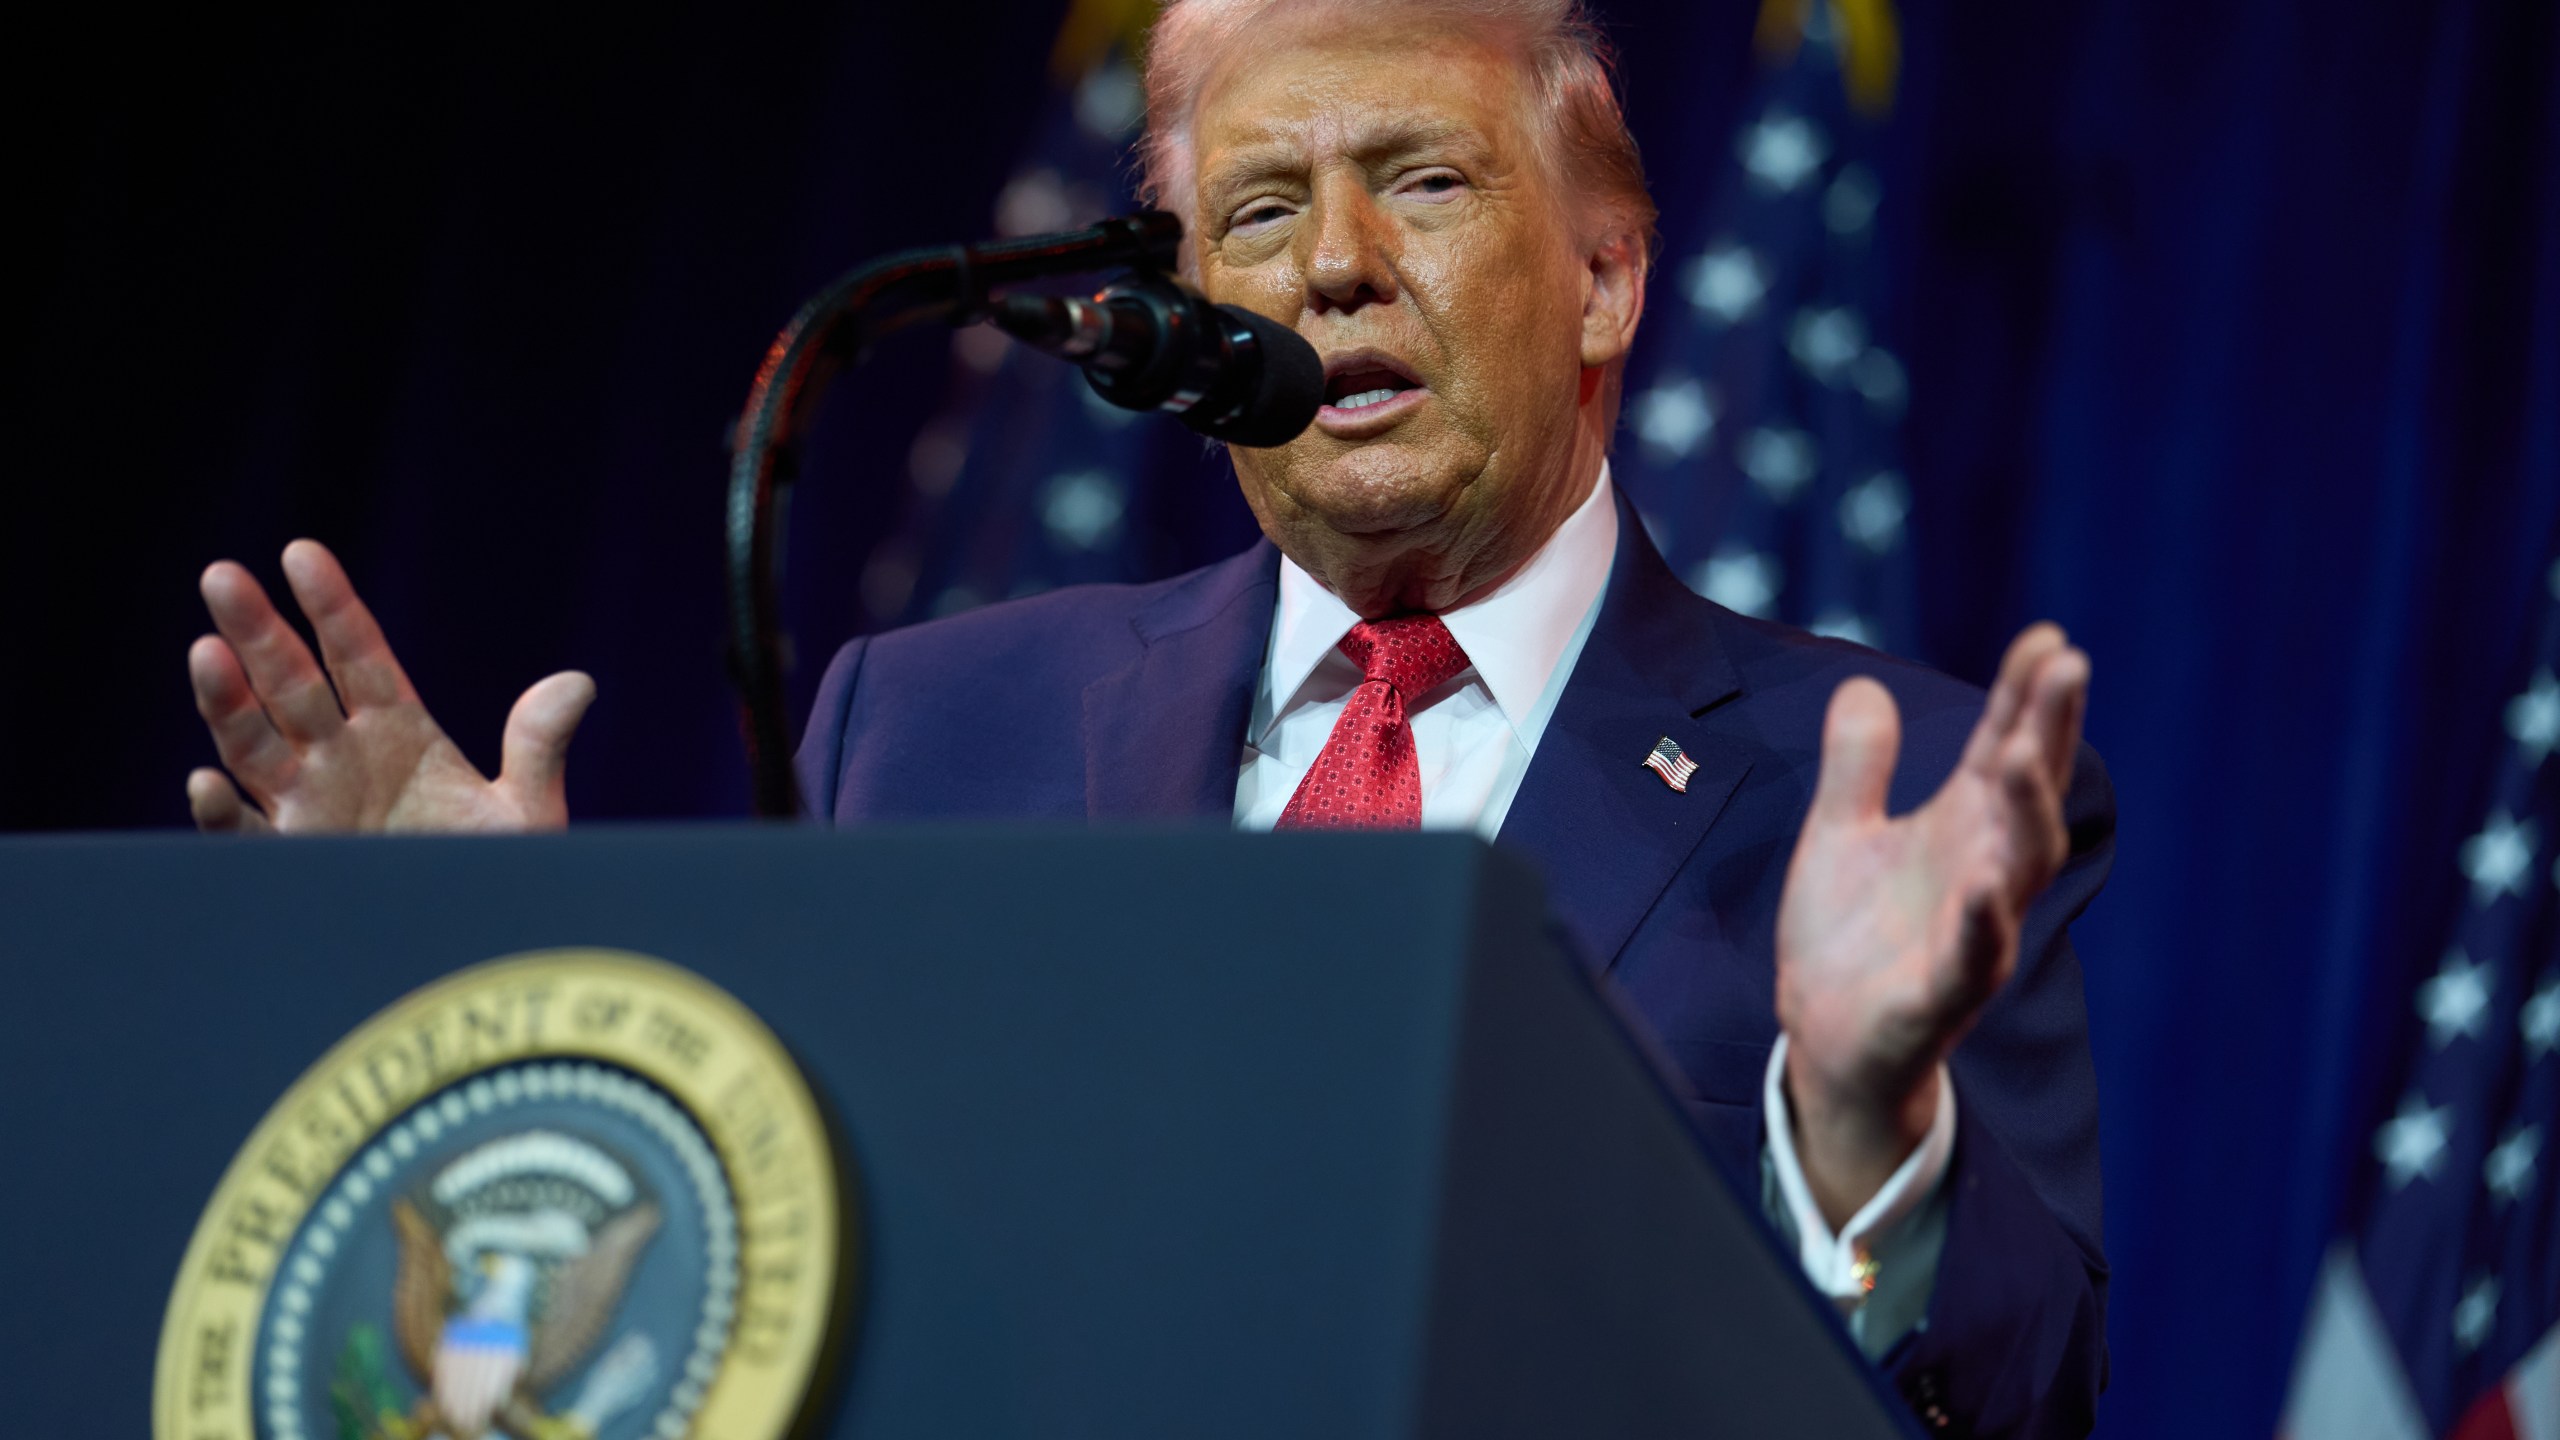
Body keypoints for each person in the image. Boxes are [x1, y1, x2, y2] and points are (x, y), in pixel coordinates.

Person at [182, 1, 2111, 1432]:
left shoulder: (1891, 790)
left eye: (1423, 181)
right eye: (1258, 210)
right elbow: (776, 1281)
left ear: (1606, 279)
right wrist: (518, 1010)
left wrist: (1865, 1132)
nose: (1334, 263)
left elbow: (2025, 1397)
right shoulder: (929, 729)